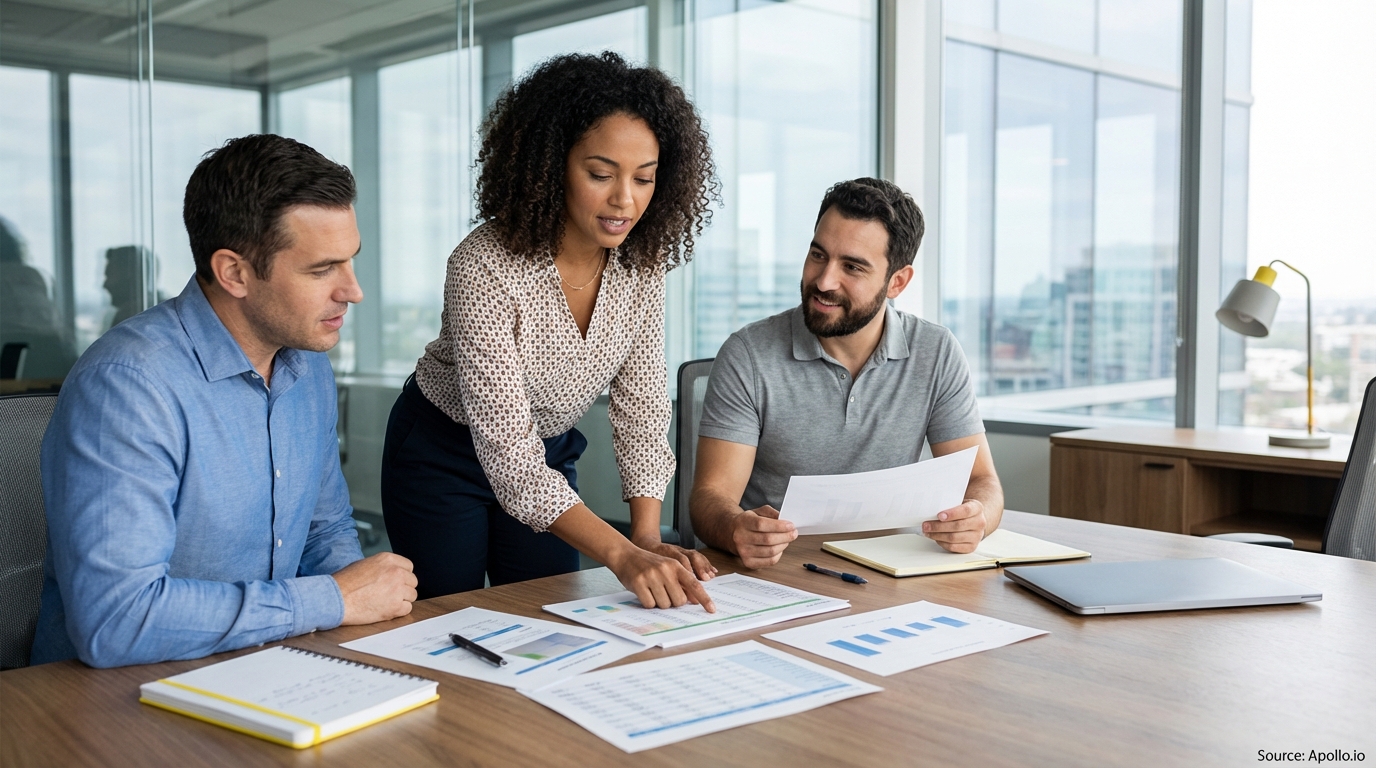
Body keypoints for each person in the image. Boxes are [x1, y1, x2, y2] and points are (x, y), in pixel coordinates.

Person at [31, 135, 417, 668]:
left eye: (350, 261)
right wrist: (334, 599)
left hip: (267, 666)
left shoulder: (307, 368)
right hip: (116, 699)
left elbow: (324, 531)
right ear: (234, 272)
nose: (353, 291)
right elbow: (116, 621)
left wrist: (365, 617)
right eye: (322, 268)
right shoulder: (128, 384)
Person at [382, 52, 719, 611]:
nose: (625, 200)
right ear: (550, 165)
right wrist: (622, 557)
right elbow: (507, 453)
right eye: (600, 174)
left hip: (546, 457)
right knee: (448, 620)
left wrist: (648, 537)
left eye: (644, 178)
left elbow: (640, 408)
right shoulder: (483, 265)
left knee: (550, 614)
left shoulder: (641, 266)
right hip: (442, 456)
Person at [689, 178, 1005, 569]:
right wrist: (735, 526)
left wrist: (977, 517)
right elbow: (708, 499)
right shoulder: (749, 354)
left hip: (888, 569)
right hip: (779, 573)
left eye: (852, 267)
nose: (824, 281)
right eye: (818, 255)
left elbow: (983, 482)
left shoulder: (936, 352)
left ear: (897, 282)